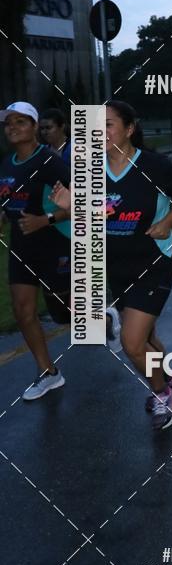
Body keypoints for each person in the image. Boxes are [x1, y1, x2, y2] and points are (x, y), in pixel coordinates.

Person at [105, 101, 172, 430]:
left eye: (108, 124)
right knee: (147, 336)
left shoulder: (154, 166)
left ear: (129, 129)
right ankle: (167, 375)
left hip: (153, 263)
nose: (100, 132)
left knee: (131, 342)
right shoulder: (91, 171)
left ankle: (162, 393)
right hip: (117, 267)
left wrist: (168, 222)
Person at [0, 102, 71, 400]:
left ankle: (108, 321)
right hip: (22, 246)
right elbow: (9, 200)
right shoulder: (7, 163)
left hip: (55, 242)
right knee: (22, 310)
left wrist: (45, 219)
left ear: (33, 126)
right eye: (8, 123)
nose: (12, 127)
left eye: (20, 121)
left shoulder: (49, 160)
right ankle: (48, 373)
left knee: (67, 313)